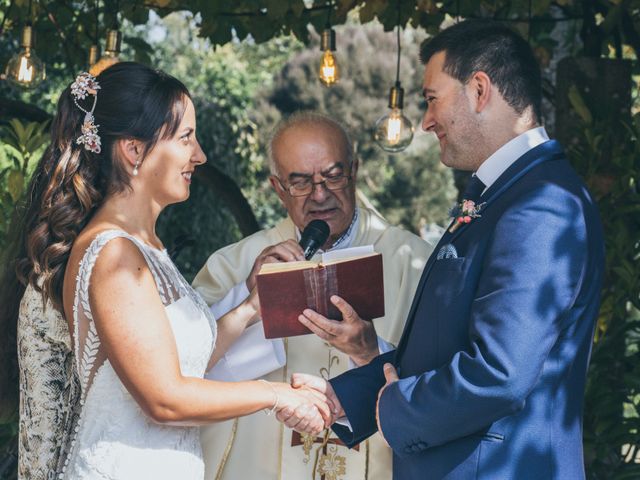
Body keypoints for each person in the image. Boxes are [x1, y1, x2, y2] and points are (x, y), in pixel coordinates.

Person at [292, 19, 605, 479]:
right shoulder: (500, 196)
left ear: (480, 89)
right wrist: (350, 395)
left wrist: (397, 406)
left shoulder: (542, 204)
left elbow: (499, 372)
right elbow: (441, 350)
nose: (425, 121)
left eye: (432, 99)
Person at [0, 62, 331, 480]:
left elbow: (172, 367)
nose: (200, 155)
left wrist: (251, 307)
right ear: (134, 150)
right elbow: (164, 399)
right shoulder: (114, 255)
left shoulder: (145, 247)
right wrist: (275, 394)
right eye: (185, 138)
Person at [192, 112, 433, 479]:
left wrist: (370, 350)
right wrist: (249, 301)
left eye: (333, 176)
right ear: (278, 187)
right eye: (301, 182)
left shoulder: (414, 261)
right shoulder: (235, 265)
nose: (320, 195)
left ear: (354, 170)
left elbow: (444, 374)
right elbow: (186, 368)